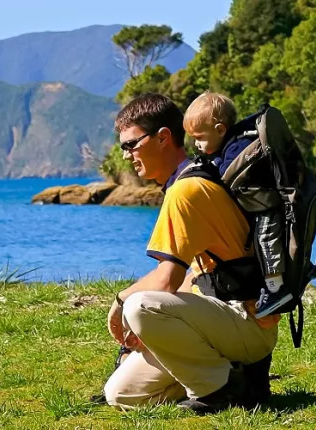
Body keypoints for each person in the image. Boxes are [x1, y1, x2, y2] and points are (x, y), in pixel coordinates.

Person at [102, 93, 279, 413]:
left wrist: (120, 302)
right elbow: (191, 274)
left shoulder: (187, 189)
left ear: (163, 138)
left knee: (139, 307)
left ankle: (223, 389)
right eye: (123, 147)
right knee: (121, 393)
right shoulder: (187, 180)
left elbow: (166, 282)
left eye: (131, 144)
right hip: (217, 322)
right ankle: (233, 376)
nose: (126, 155)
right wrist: (158, 334)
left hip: (246, 322)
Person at [183, 92, 293, 318]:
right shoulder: (229, 142)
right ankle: (268, 286)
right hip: (256, 206)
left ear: (220, 130)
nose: (196, 144)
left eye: (199, 137)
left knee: (266, 241)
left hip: (266, 208)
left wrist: (212, 165)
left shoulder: (238, 145)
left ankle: (276, 289)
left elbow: (230, 171)